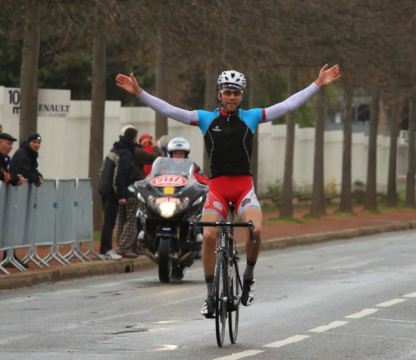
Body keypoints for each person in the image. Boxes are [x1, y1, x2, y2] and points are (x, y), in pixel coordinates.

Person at [117, 64, 340, 317]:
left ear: (241, 96)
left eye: (236, 92)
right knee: (210, 236)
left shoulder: (251, 117)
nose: (231, 96)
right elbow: (170, 110)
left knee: (255, 231)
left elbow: (287, 105)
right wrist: (139, 92)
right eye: (227, 92)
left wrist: (317, 84)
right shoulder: (205, 119)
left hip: (244, 188)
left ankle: (248, 275)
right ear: (219, 95)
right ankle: (211, 296)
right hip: (218, 191)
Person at [97, 128, 139, 260]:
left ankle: (106, 249)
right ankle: (106, 250)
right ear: (133, 138)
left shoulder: (114, 149)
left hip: (104, 189)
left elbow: (102, 169)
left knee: (108, 222)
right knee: (109, 222)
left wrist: (102, 185)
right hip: (112, 192)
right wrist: (121, 195)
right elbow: (120, 175)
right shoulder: (126, 153)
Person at [0, 132, 25, 266]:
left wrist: (14, 178)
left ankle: (9, 256)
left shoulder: (5, 160)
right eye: (8, 144)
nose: (11, 147)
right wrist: (14, 178)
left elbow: (7, 175)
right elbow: (4, 175)